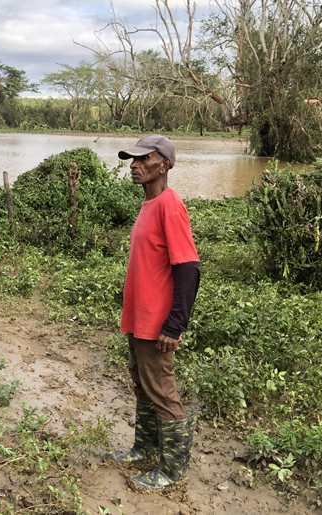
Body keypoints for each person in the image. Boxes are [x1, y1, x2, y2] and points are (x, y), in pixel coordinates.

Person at [109, 134, 200, 492]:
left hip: (157, 323)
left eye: (142, 159)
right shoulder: (148, 205)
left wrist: (174, 325)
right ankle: (144, 448)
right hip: (138, 318)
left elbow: (189, 268)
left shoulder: (169, 205)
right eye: (131, 160)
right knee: (144, 386)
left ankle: (173, 470)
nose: (133, 165)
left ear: (163, 165)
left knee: (162, 391)